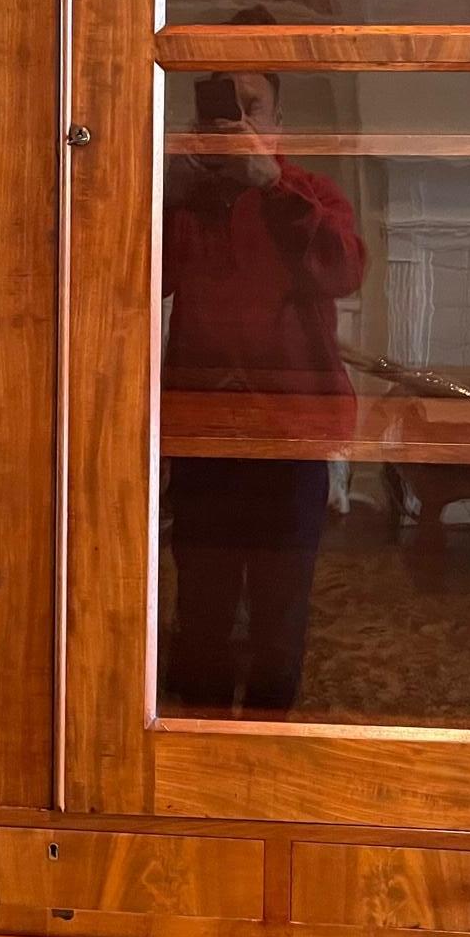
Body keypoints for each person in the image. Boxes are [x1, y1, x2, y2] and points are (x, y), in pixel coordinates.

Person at [163, 62, 365, 713]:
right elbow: (129, 281)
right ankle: (191, 747)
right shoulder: (184, 198)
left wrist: (272, 187)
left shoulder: (309, 193)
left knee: (282, 604)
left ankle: (270, 737)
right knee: (201, 601)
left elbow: (343, 272)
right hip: (201, 433)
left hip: (290, 433)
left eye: (253, 107)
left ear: (278, 122)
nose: (238, 122)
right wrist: (165, 185)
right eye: (224, 109)